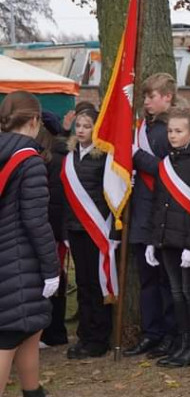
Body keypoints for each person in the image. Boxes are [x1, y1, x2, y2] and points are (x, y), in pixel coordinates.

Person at [0, 91, 72, 397]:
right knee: (8, 335)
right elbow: (35, 221)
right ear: (33, 121)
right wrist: (51, 267)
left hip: (6, 253)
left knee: (28, 327)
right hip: (18, 257)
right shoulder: (28, 161)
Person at [145, 107, 190, 368]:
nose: (173, 136)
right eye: (170, 131)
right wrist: (154, 241)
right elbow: (158, 204)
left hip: (189, 242)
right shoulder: (166, 163)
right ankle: (182, 341)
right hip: (167, 240)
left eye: (179, 131)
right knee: (176, 293)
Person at [124, 74, 176, 358]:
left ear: (167, 96)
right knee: (147, 281)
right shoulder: (142, 128)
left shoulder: (172, 129)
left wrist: (137, 156)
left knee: (168, 281)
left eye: (151, 96)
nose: (146, 102)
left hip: (165, 215)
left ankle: (170, 333)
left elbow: (170, 171)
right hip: (142, 215)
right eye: (144, 97)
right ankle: (151, 332)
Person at [62, 106, 114, 359]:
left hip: (96, 228)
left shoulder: (103, 156)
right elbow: (65, 197)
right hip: (74, 228)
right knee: (81, 282)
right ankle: (84, 334)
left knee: (97, 283)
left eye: (87, 126)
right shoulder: (70, 155)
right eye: (78, 126)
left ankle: (99, 337)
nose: (81, 130)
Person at [37, 113, 70, 348]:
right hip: (52, 229)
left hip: (52, 230)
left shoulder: (54, 158)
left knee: (53, 279)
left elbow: (55, 200)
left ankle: (54, 332)